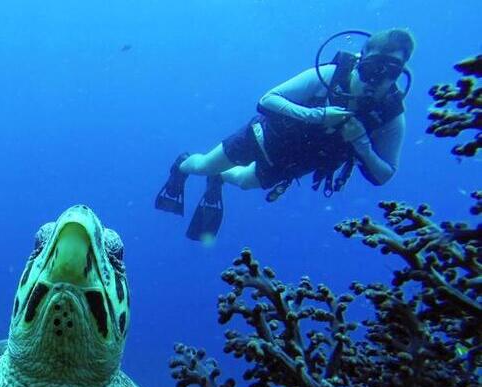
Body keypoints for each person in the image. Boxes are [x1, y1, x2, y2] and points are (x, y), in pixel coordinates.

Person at [155, 28, 416, 241]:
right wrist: (318, 116)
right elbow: (268, 99)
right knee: (202, 165)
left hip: (295, 162)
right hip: (263, 137)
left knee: (245, 182)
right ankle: (182, 164)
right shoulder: (330, 76)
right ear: (361, 59)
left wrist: (362, 144)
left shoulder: (390, 115)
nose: (377, 80)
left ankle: (219, 178)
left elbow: (385, 173)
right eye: (372, 68)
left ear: (401, 73)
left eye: (390, 71)